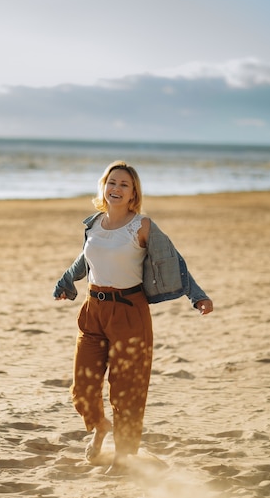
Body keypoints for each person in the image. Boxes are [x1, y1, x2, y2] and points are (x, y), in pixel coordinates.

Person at [53, 161, 213, 474]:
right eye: (112, 182)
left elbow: (173, 261)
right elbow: (85, 258)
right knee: (82, 390)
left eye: (124, 184)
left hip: (129, 312)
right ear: (104, 186)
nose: (116, 188)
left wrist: (198, 296)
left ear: (133, 193)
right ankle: (101, 427)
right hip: (93, 310)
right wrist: (66, 281)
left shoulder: (142, 226)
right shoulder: (94, 223)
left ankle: (123, 457)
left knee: (126, 391)